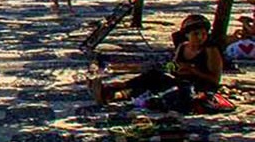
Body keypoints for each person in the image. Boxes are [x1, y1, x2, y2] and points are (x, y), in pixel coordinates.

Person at [93, 16, 222, 111]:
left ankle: (117, 95)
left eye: (204, 34)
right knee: (153, 76)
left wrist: (193, 70)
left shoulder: (210, 51)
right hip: (180, 79)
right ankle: (115, 91)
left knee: (170, 94)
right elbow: (173, 66)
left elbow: (214, 80)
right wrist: (173, 69)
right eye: (196, 34)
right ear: (187, 35)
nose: (200, 38)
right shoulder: (183, 46)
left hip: (198, 86)